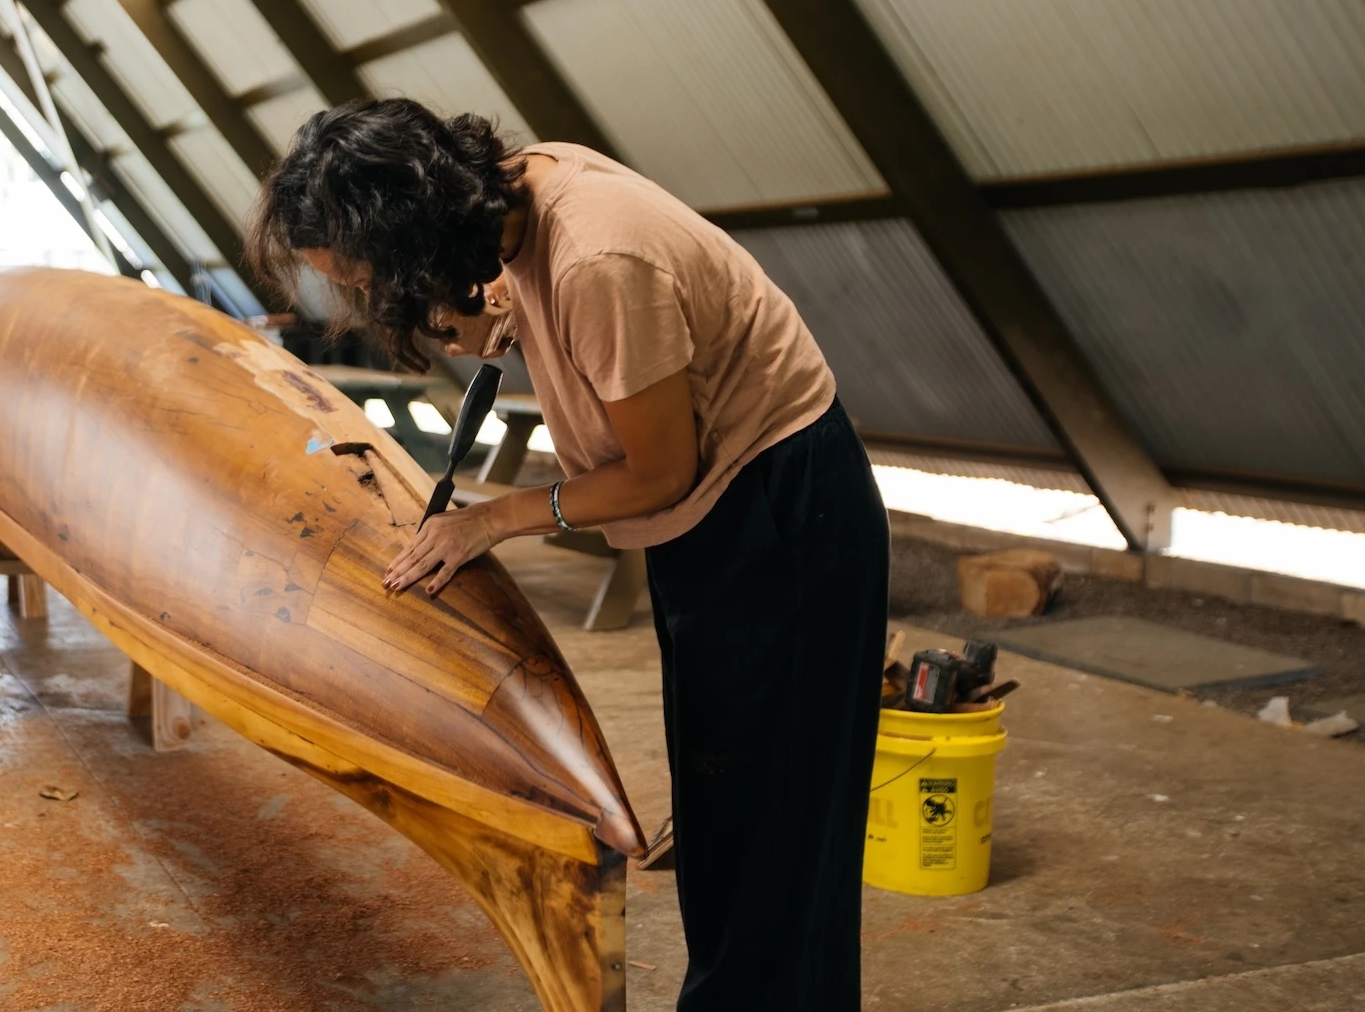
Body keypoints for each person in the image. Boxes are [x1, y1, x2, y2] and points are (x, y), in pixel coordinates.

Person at [249, 99, 888, 1009]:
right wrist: (509, 305)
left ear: (419, 234)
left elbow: (660, 473)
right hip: (715, 511)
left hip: (777, 510)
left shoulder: (597, 259)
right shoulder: (520, 189)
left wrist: (495, 517)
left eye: (374, 278)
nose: (380, 301)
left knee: (777, 825)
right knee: (724, 801)